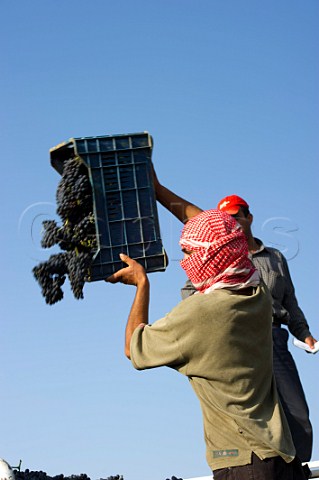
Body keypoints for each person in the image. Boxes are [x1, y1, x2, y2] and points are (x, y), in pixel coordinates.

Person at [106, 209, 307, 480]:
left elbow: (133, 347)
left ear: (209, 255)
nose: (185, 263)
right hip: (281, 456)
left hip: (244, 464)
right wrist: (160, 190)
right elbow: (225, 236)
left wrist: (142, 284)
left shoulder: (200, 314)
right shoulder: (258, 296)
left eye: (189, 253)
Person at [152, 170, 316, 466]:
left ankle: (296, 467)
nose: (234, 222)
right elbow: (199, 235)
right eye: (227, 219)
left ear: (249, 217)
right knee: (250, 413)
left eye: (237, 216)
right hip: (235, 335)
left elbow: (290, 301)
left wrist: (304, 333)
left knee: (296, 414)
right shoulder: (219, 255)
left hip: (273, 337)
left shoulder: (275, 258)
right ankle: (260, 463)